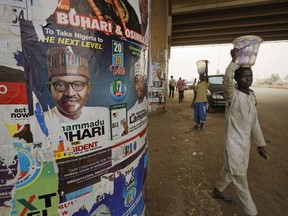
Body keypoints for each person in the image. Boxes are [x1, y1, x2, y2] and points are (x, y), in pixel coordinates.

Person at [211, 48, 269, 216]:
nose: (248, 79)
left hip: (245, 144)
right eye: (244, 76)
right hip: (233, 143)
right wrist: (234, 61)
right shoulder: (232, 95)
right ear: (237, 78)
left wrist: (260, 145)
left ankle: (217, 191)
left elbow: (255, 123)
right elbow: (227, 81)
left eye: (250, 76)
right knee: (239, 176)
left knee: (230, 170)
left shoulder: (251, 96)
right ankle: (252, 211)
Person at [46, 46, 107, 123]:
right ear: (50, 89)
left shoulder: (103, 115)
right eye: (60, 85)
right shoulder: (37, 123)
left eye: (78, 85)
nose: (70, 93)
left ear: (88, 88)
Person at [191, 61, 209, 129]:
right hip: (196, 102)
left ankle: (201, 125)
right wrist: (193, 102)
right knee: (196, 115)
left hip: (202, 101)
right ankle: (196, 125)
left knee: (202, 114)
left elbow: (206, 74)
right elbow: (195, 94)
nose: (201, 77)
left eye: (202, 76)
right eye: (200, 76)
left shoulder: (206, 83)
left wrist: (206, 64)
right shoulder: (197, 85)